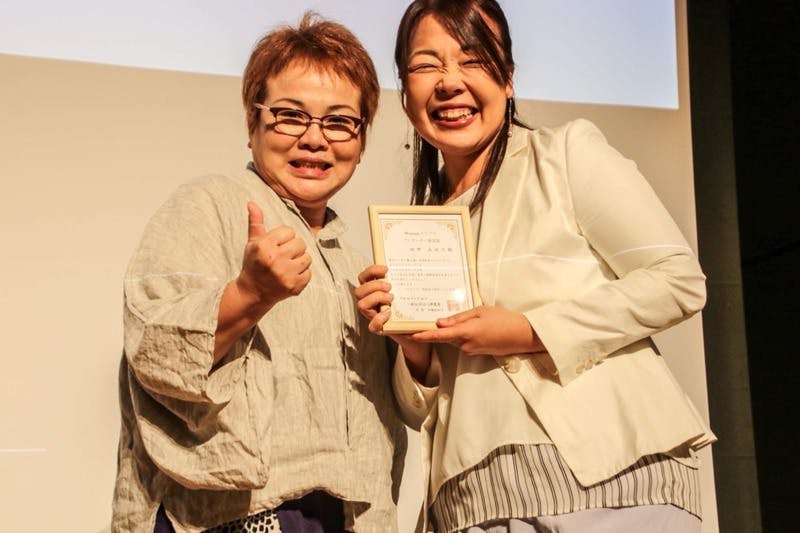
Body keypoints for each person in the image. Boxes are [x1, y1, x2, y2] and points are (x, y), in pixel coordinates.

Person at [355, 1, 716, 531]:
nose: (449, 82)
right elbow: (419, 411)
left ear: (508, 79)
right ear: (406, 94)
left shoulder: (563, 155)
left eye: (472, 59)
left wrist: (529, 330)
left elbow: (678, 281)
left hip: (613, 480)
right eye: (426, 65)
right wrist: (414, 349)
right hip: (475, 498)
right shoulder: (417, 229)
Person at [111, 12, 406, 533]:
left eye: (339, 122)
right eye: (290, 116)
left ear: (361, 141)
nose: (315, 139)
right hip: (233, 515)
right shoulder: (208, 205)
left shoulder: (358, 263)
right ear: (253, 124)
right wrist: (250, 294)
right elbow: (154, 347)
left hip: (344, 515)